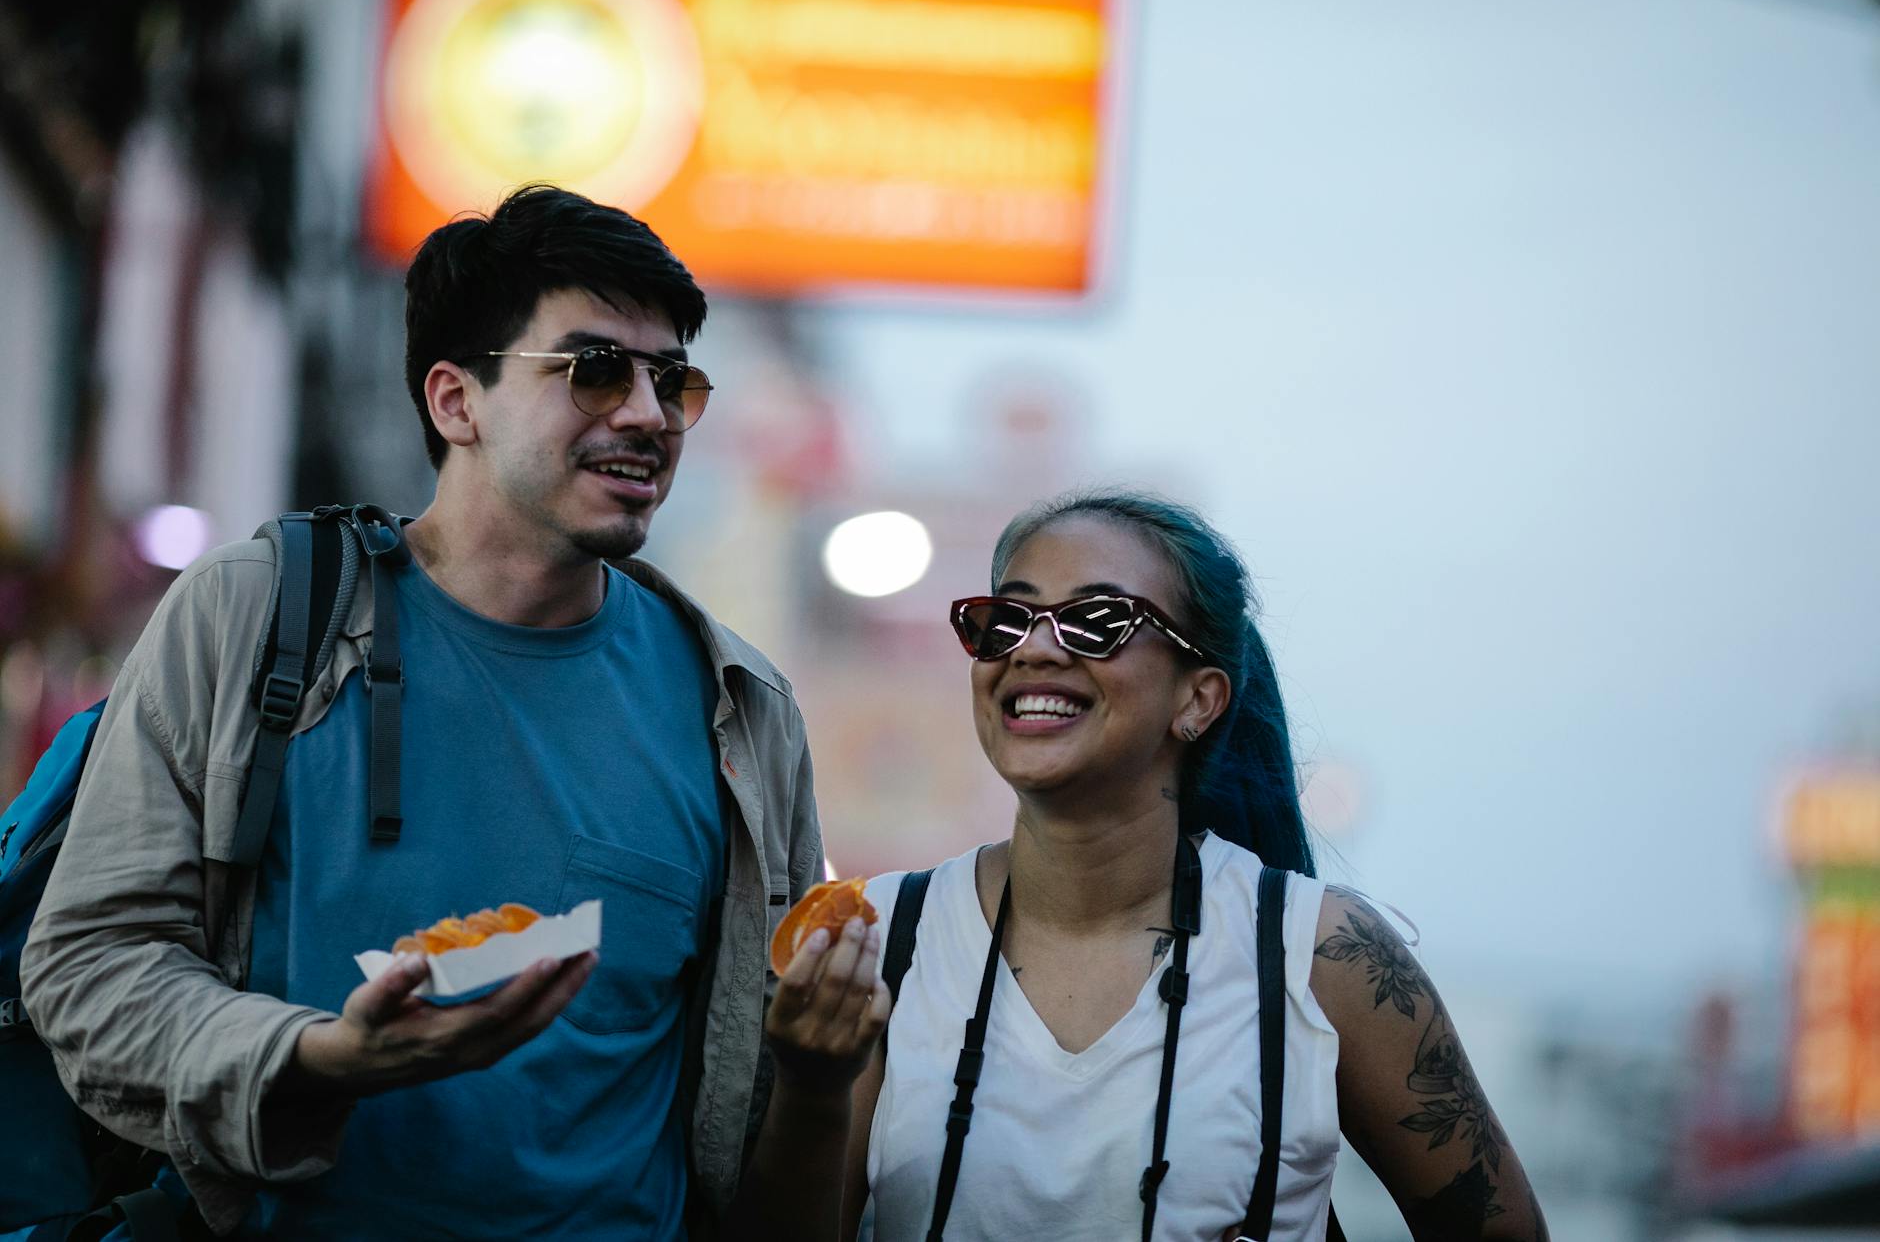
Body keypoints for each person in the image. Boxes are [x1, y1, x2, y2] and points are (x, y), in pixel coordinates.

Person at [22, 185, 828, 1239]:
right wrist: (314, 1059)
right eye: (594, 369)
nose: (645, 412)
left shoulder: (738, 710)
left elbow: (758, 1073)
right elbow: (89, 962)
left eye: (671, 379)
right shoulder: (257, 613)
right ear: (457, 402)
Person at [757, 489, 1550, 1240]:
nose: (1032, 648)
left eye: (1097, 620)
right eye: (1007, 619)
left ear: (1198, 699)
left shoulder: (1321, 954)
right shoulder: (882, 936)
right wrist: (811, 1084)